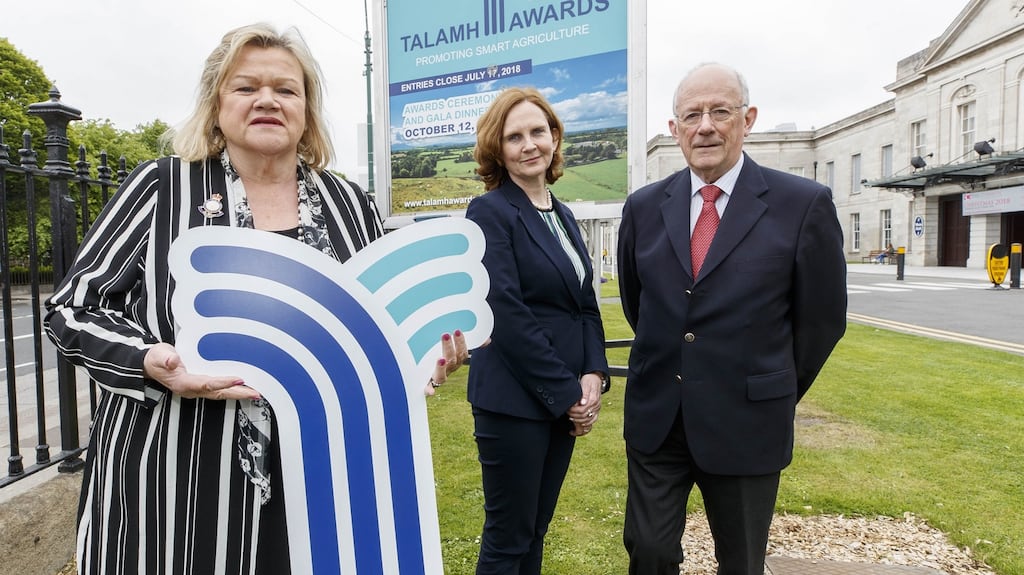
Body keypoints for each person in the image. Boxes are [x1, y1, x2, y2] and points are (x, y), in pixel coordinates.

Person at [44, 23, 465, 575]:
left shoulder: (348, 204)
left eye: (286, 89)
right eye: (246, 87)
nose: (267, 99)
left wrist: (420, 357)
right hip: (179, 479)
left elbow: (377, 322)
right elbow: (71, 308)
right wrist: (149, 362)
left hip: (324, 480)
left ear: (307, 111)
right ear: (216, 104)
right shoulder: (161, 188)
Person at [616, 63, 847, 574]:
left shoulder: (803, 205)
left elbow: (822, 321)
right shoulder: (644, 207)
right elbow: (640, 304)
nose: (706, 126)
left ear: (748, 119)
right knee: (649, 551)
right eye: (691, 115)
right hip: (659, 419)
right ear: (674, 130)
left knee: (741, 562)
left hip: (747, 422)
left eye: (720, 111)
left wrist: (769, 383)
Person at [464, 87, 609, 575]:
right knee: (508, 541)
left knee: (536, 532)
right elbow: (505, 312)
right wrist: (567, 390)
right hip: (513, 402)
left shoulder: (564, 215)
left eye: (538, 132)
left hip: (561, 398)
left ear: (554, 137)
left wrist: (593, 373)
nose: (529, 145)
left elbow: (585, 304)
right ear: (497, 149)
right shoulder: (490, 212)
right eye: (514, 136)